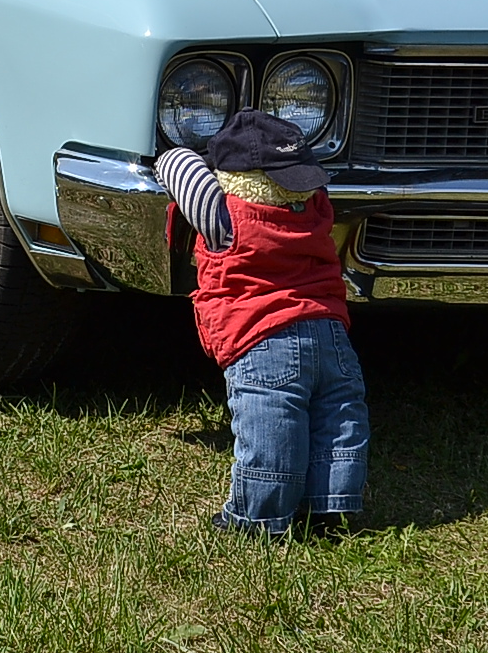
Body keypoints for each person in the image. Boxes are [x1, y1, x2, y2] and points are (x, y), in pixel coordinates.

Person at [153, 109, 370, 538]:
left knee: (272, 421)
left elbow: (175, 165)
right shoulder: (316, 210)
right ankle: (332, 504)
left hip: (263, 339)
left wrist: (202, 156)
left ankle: (258, 518)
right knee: (338, 416)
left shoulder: (223, 215)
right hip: (330, 330)